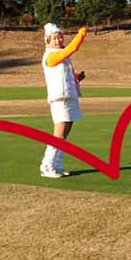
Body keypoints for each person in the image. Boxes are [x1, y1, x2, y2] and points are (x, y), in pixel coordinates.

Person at [40, 23, 87, 178]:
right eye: (54, 38)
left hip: (69, 96)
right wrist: (81, 34)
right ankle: (47, 165)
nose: (58, 40)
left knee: (64, 135)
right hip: (59, 99)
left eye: (60, 37)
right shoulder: (51, 55)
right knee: (58, 134)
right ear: (47, 40)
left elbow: (64, 76)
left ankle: (57, 165)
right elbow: (72, 48)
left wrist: (76, 78)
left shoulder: (64, 57)